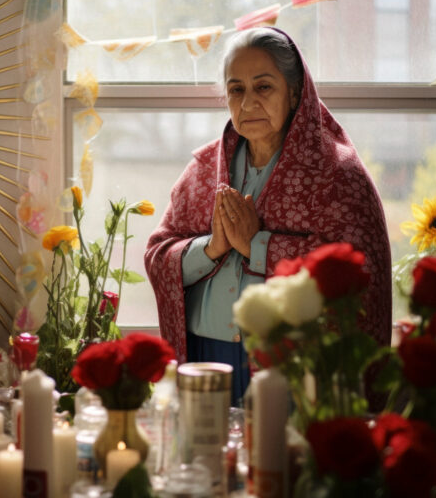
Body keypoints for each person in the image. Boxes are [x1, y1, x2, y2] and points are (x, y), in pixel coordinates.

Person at [144, 28, 391, 405]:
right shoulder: (202, 170)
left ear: (294, 92)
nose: (247, 103)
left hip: (293, 366)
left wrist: (256, 246)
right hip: (204, 356)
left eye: (263, 87)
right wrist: (211, 248)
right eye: (236, 89)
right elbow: (158, 254)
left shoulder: (337, 174)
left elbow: (358, 272)